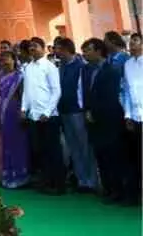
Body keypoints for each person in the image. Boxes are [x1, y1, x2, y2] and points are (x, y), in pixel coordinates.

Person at [83, 36, 130, 205]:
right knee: (101, 156)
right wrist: (88, 111)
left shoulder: (111, 71)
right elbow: (87, 94)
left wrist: (95, 113)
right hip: (94, 122)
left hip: (109, 121)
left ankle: (118, 190)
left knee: (113, 157)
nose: (85, 54)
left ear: (98, 51)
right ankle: (108, 188)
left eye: (88, 50)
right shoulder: (88, 70)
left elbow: (110, 98)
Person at [21, 36, 64, 195]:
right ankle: (46, 181)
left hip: (49, 116)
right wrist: (23, 108)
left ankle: (58, 184)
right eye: (30, 46)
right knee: (39, 150)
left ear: (43, 48)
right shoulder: (28, 68)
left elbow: (56, 91)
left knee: (53, 150)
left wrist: (47, 112)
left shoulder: (50, 66)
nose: (32, 49)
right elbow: (26, 91)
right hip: (34, 116)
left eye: (35, 46)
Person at [55, 37, 97, 193]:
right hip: (64, 111)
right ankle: (81, 180)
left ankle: (91, 180)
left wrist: (85, 109)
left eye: (58, 48)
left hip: (78, 111)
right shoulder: (60, 67)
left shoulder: (81, 66)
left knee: (85, 146)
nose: (56, 52)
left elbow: (84, 90)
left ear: (66, 49)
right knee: (73, 147)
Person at [0, 48, 29, 189]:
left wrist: (23, 112)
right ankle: (8, 175)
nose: (4, 61)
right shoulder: (1, 78)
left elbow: (24, 95)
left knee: (18, 144)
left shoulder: (20, 76)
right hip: (3, 114)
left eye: (7, 58)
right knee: (6, 144)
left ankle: (20, 177)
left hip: (15, 113)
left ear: (14, 60)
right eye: (2, 59)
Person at [120, 31, 142, 205]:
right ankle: (133, 195)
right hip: (134, 117)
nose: (132, 43)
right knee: (134, 157)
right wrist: (127, 114)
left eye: (135, 40)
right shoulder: (127, 65)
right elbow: (126, 92)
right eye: (131, 41)